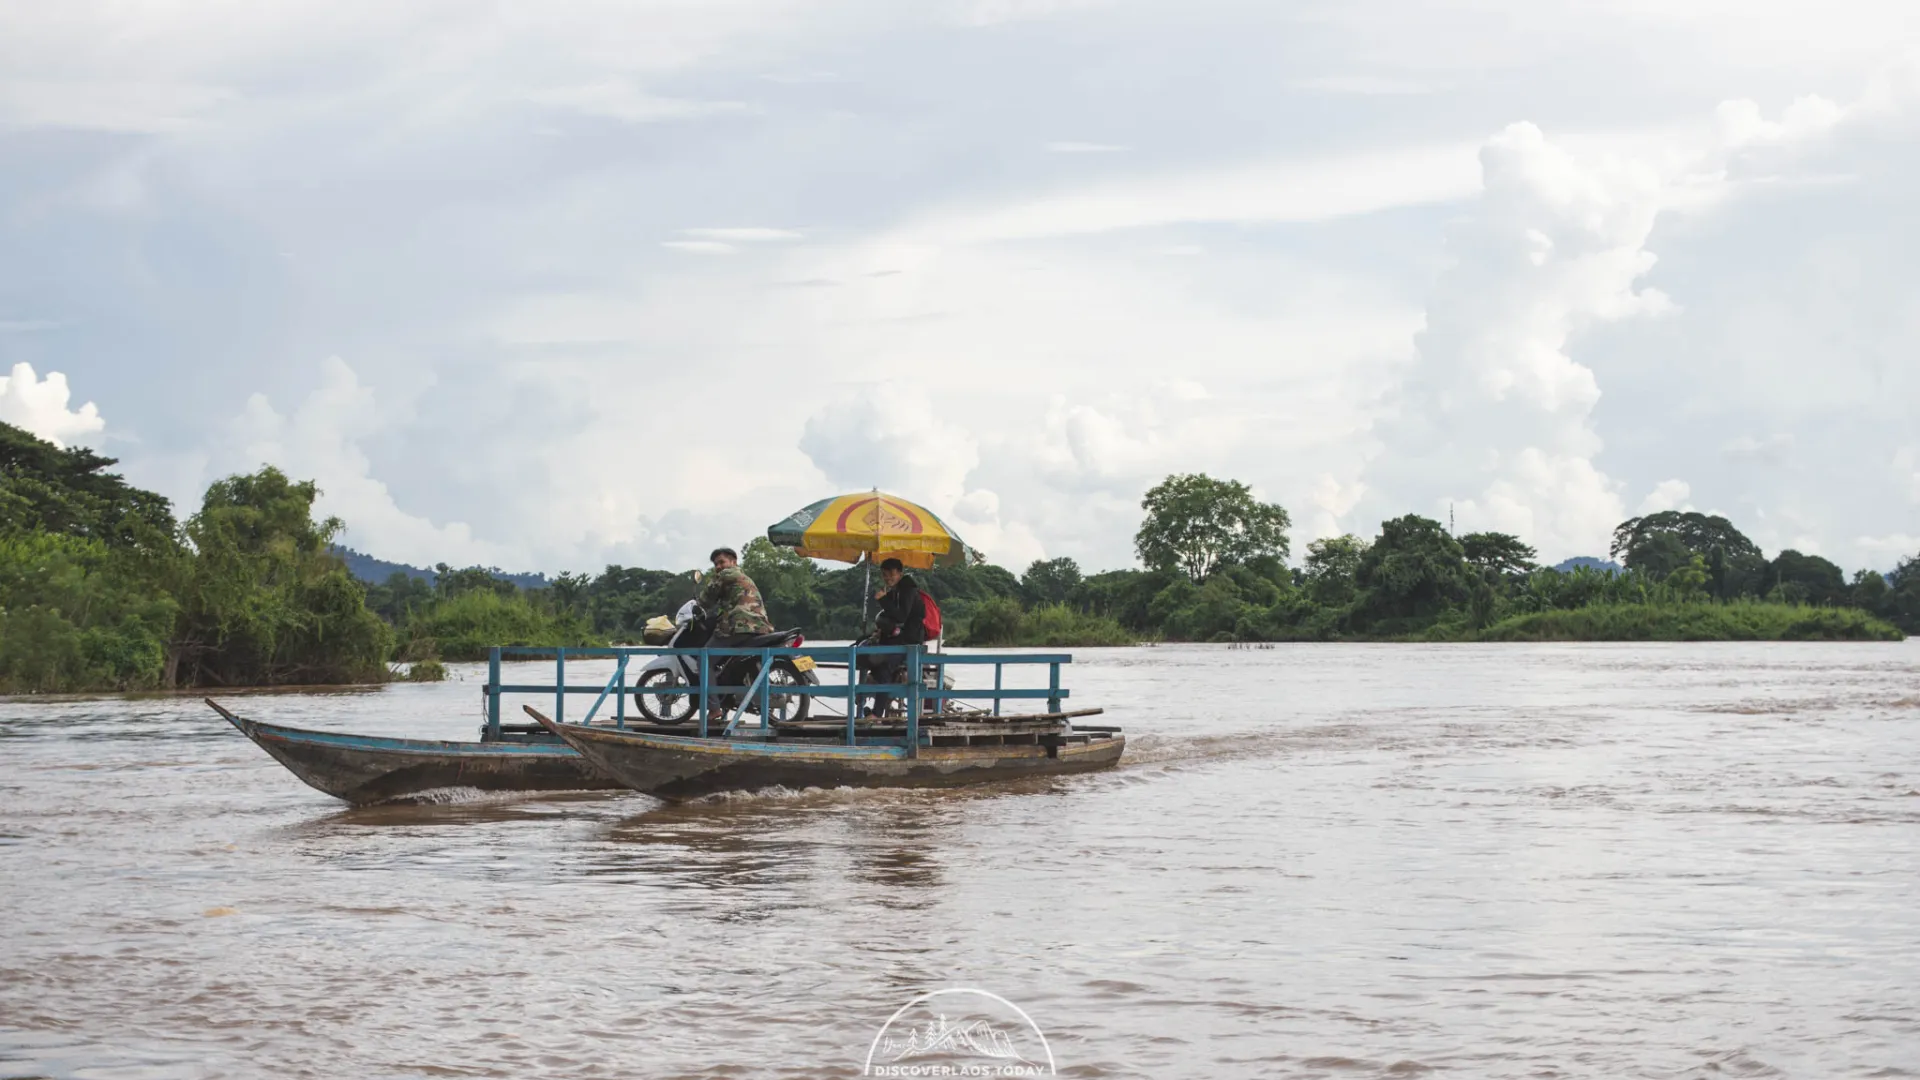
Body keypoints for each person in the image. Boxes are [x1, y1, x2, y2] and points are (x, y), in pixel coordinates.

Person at [697, 547, 775, 720]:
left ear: (733, 562)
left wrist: (697, 605)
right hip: (760, 627)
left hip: (739, 626)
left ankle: (714, 707)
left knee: (704, 658)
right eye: (716, 564)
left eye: (721, 562)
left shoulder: (726, 575)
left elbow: (706, 599)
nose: (718, 566)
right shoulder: (743, 577)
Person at [859, 557, 927, 718]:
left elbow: (902, 616)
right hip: (897, 640)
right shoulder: (895, 592)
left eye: (891, 575)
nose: (888, 578)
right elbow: (888, 615)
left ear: (900, 574)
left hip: (910, 643)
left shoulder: (908, 590)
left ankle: (876, 714)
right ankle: (866, 704)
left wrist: (883, 599)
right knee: (870, 661)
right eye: (884, 575)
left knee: (884, 668)